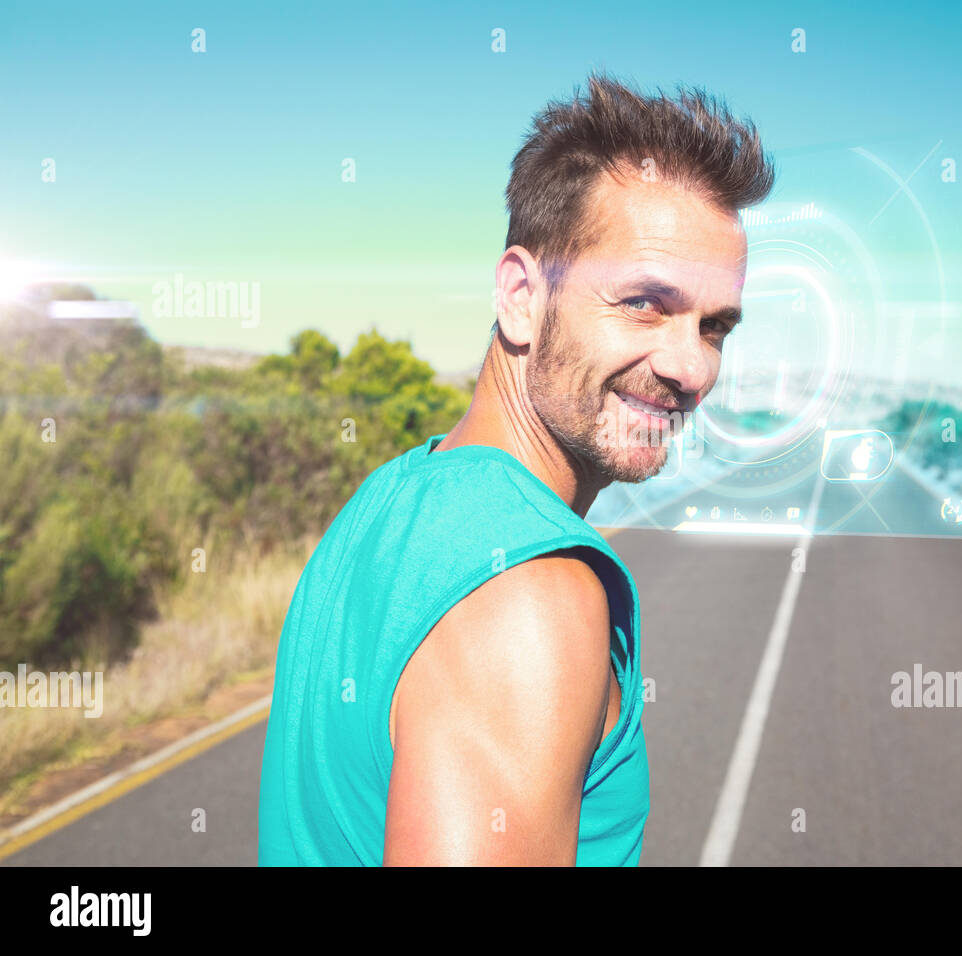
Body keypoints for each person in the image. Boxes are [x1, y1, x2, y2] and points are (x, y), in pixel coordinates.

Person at [258, 70, 775, 865]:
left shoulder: (390, 494)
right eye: (644, 302)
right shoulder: (529, 594)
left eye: (715, 327)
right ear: (521, 297)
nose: (691, 367)